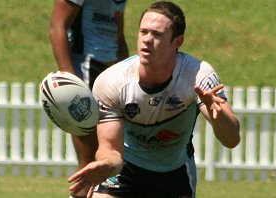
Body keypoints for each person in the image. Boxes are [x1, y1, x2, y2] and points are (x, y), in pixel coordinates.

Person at [68, 1, 240, 198]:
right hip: (126, 168)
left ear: (177, 42)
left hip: (175, 173)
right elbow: (111, 151)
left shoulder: (197, 75)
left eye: (157, 34)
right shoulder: (112, 81)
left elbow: (232, 139)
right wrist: (106, 164)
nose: (147, 40)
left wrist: (218, 117)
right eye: (143, 32)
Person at [49, 0, 129, 197]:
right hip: (86, 73)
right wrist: (70, 81)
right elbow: (57, 26)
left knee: (111, 161)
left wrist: (127, 71)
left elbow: (118, 33)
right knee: (90, 163)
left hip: (112, 76)